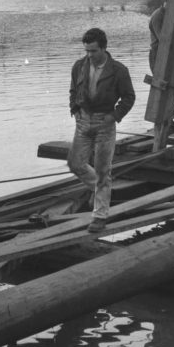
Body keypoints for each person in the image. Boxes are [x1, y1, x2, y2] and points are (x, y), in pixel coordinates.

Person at [67, 26, 136, 233]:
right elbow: (73, 90)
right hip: (83, 120)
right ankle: (100, 192)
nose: (89, 55)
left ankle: (99, 215)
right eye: (87, 51)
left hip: (105, 123)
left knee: (103, 170)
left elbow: (129, 97)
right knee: (75, 164)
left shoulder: (119, 70)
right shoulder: (79, 66)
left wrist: (114, 116)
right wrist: (75, 110)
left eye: (93, 51)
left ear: (104, 49)